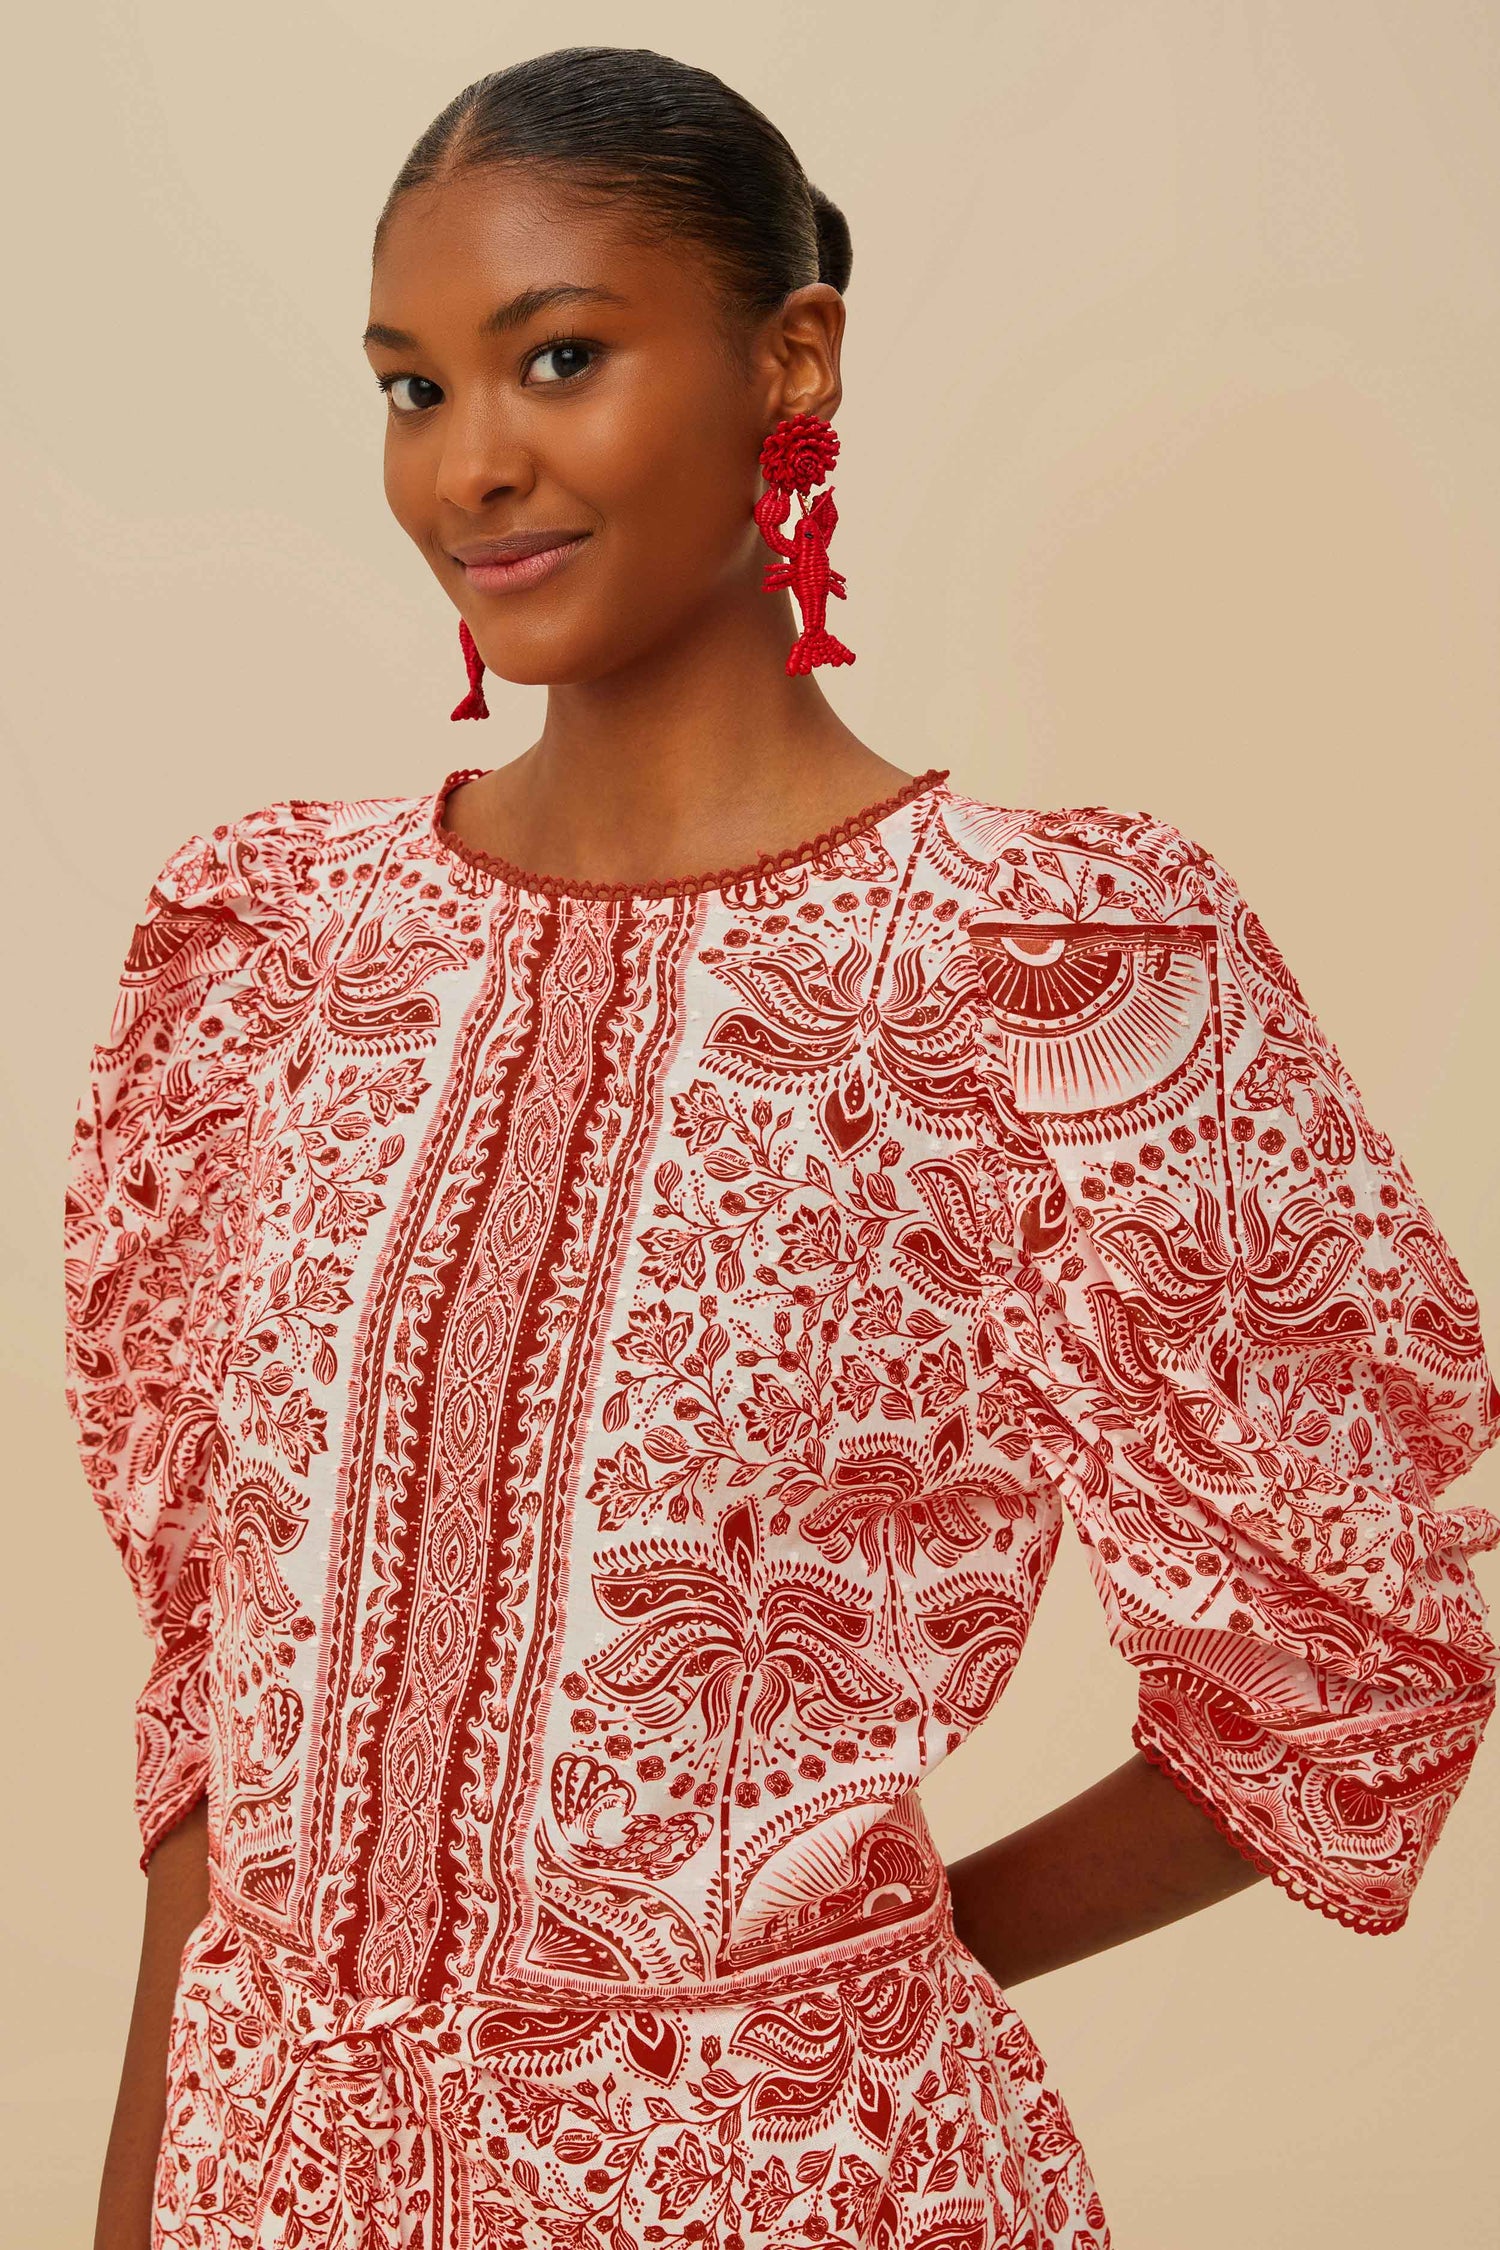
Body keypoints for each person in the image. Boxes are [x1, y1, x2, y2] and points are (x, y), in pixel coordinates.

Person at [67, 46, 1500, 2250]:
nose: (469, 463)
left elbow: (1351, 1675)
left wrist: (850, 1990)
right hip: (272, 2193)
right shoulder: (275, 949)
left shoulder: (1042, 973)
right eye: (411, 389)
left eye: (558, 357)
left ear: (791, 359)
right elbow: (215, 1685)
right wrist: (135, 2198)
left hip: (795, 2189)